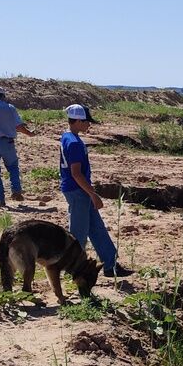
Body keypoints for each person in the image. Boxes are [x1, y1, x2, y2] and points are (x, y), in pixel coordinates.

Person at [59, 105, 131, 277]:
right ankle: (73, 268)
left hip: (78, 190)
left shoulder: (67, 136)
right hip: (78, 191)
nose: (88, 125)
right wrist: (92, 194)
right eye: (86, 122)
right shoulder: (75, 143)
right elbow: (76, 174)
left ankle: (110, 265)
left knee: (96, 228)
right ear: (77, 121)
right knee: (79, 232)